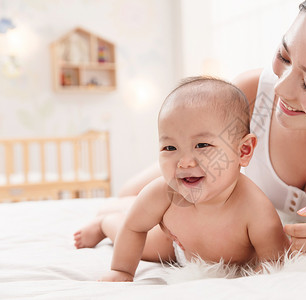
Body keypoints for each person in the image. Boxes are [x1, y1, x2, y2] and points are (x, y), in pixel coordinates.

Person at [78, 0, 306, 254]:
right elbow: (174, 186)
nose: (280, 87)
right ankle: (106, 221)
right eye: (284, 55)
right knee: (132, 206)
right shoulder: (254, 94)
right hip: (217, 222)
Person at [75, 77, 289, 282]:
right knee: (142, 243)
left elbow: (274, 262)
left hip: (219, 257)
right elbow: (134, 228)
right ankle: (105, 224)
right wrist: (121, 270)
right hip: (178, 246)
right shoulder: (163, 193)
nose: (184, 162)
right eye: (170, 147)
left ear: (243, 150)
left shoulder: (255, 208)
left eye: (202, 145)